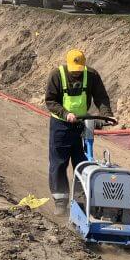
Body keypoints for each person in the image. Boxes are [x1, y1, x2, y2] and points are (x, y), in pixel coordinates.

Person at [44, 48, 113, 214]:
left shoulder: (92, 75)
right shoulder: (57, 75)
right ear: (68, 65)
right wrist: (65, 114)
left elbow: (101, 97)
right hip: (61, 125)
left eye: (79, 70)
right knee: (59, 163)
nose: (77, 73)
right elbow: (50, 100)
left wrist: (107, 115)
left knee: (82, 162)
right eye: (74, 70)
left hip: (81, 125)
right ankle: (60, 202)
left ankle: (81, 202)